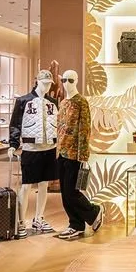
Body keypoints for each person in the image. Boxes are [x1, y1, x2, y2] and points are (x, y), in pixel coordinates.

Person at [8, 70, 59, 237]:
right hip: (31, 149)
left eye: (49, 84)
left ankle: (39, 218)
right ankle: (21, 221)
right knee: (26, 185)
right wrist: (13, 144)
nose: (47, 86)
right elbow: (15, 124)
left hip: (49, 148)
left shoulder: (53, 102)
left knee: (44, 185)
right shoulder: (23, 101)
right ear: (37, 81)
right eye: (44, 83)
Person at [55, 69, 102, 240]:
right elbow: (59, 127)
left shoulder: (81, 102)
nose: (66, 84)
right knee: (64, 193)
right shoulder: (63, 103)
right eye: (64, 80)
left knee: (72, 192)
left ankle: (93, 212)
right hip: (62, 152)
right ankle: (75, 224)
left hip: (74, 153)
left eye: (70, 80)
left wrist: (83, 156)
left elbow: (85, 129)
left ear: (76, 81)